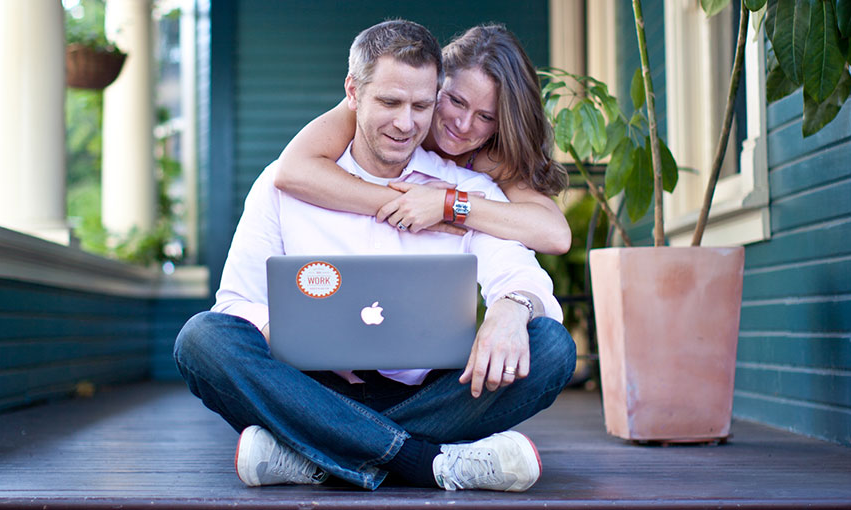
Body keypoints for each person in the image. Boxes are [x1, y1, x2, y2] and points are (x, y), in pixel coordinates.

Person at [173, 20, 575, 492]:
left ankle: (313, 452)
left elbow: (519, 270)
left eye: (422, 106)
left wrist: (512, 306)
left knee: (551, 346)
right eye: (389, 102)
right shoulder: (284, 182)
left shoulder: (468, 189)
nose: (406, 123)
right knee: (202, 339)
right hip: (308, 386)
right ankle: (430, 464)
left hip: (428, 393)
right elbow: (236, 302)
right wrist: (279, 330)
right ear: (353, 92)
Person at [274, 24, 571, 255]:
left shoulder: (487, 158)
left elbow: (554, 234)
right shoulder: (380, 108)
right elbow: (292, 171)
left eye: (486, 117)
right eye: (456, 100)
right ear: (436, 84)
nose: (463, 125)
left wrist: (447, 204)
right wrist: (406, 202)